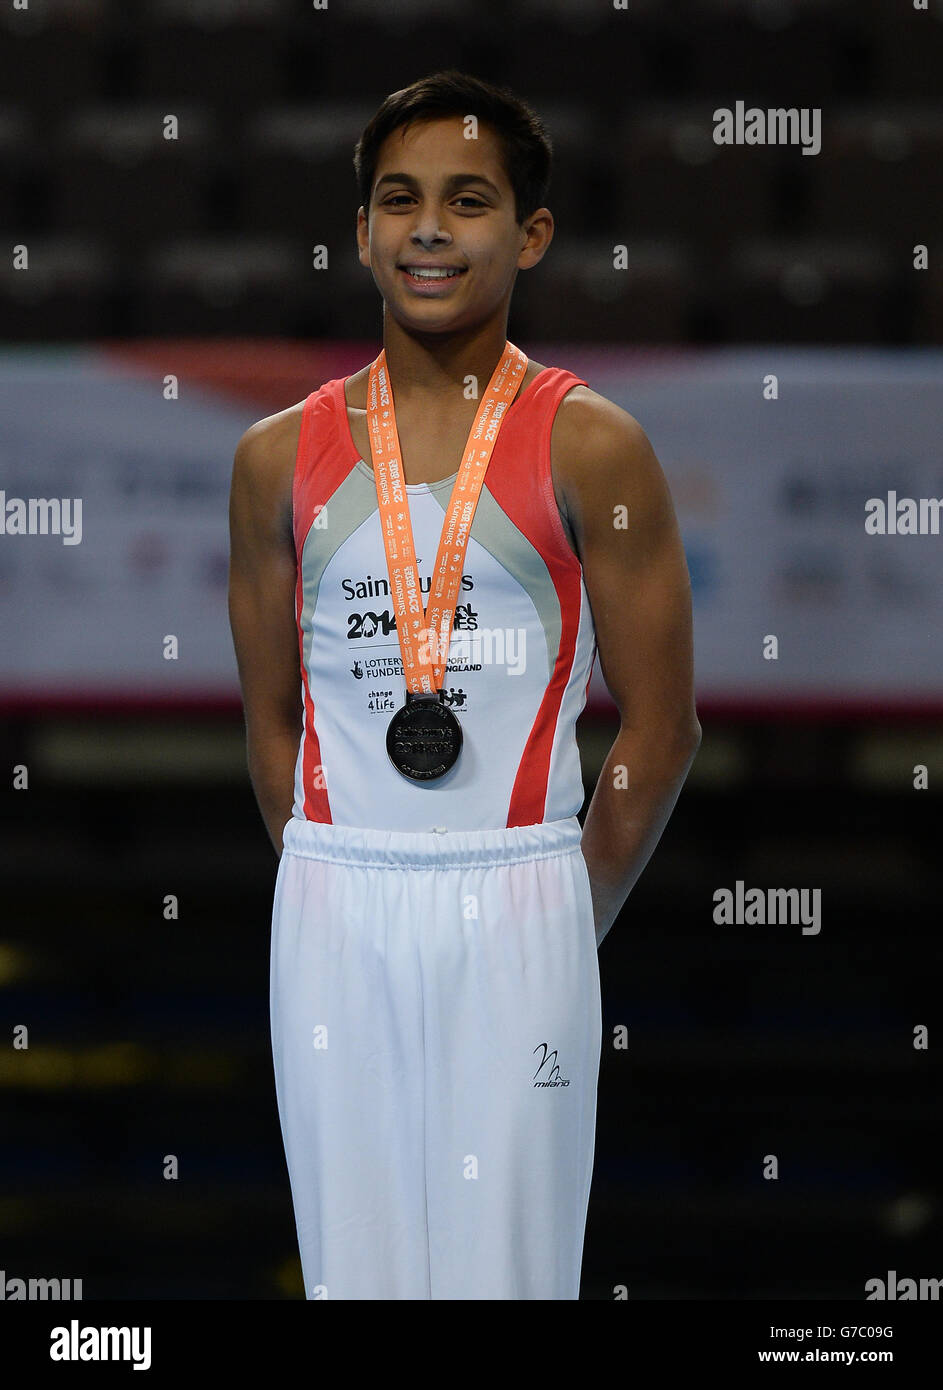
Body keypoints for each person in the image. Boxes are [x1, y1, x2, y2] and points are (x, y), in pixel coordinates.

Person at [228, 69, 700, 1300]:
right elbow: (270, 713)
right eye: (400, 199)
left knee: (507, 1276)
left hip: (525, 889)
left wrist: (559, 902)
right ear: (362, 231)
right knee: (355, 1276)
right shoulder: (274, 457)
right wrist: (327, 874)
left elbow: (664, 721)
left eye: (468, 201)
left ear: (529, 233)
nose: (429, 228)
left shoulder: (593, 443)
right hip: (334, 895)